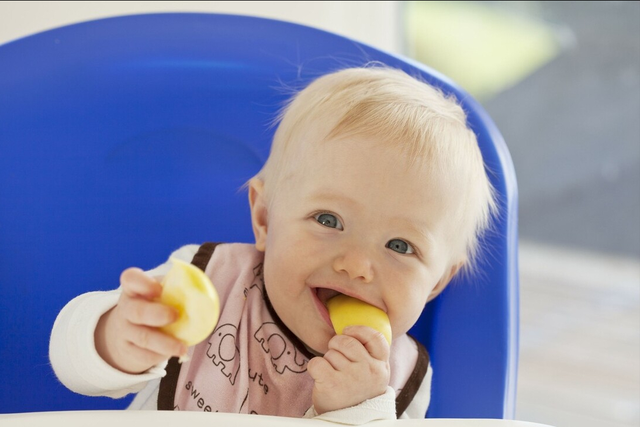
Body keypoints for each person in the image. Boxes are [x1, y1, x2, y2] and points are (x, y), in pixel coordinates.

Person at [49, 65, 497, 424]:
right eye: (329, 219)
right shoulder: (210, 279)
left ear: (438, 280)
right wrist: (117, 338)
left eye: (400, 245)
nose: (358, 265)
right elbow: (73, 367)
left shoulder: (399, 377)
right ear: (264, 218)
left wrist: (356, 411)